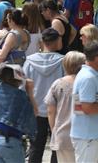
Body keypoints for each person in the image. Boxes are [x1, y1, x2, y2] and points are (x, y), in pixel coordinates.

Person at [23, 28, 65, 163]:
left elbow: (23, 85)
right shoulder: (63, 62)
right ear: (57, 41)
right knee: (57, 147)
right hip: (57, 109)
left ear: (42, 41)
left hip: (36, 108)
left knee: (36, 146)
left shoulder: (29, 61)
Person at [0, 64, 37, 163]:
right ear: (19, 79)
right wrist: (30, 92)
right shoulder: (20, 96)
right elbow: (35, 112)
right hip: (10, 142)